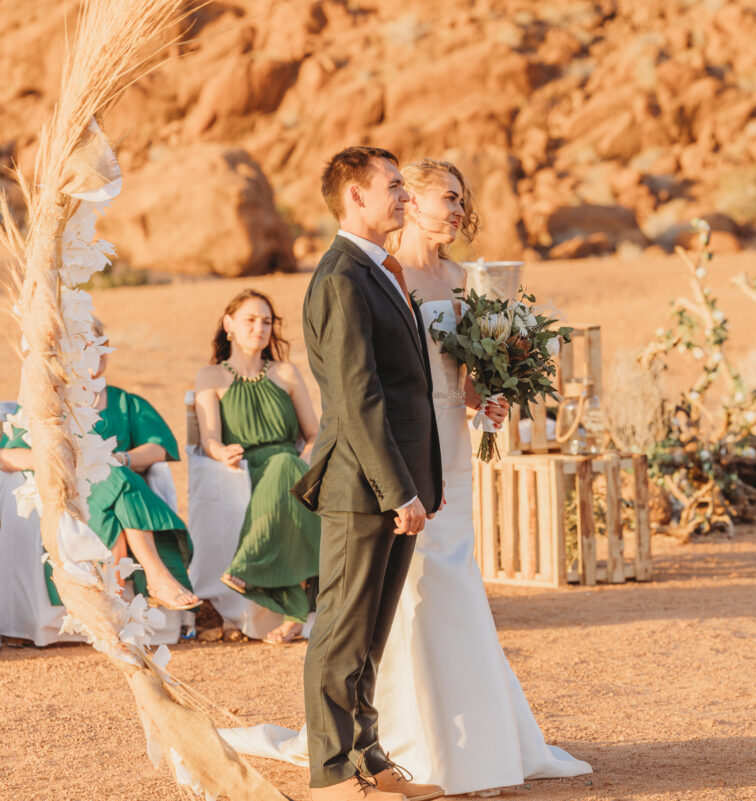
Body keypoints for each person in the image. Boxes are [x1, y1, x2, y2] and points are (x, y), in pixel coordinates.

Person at [374, 158, 593, 795]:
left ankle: (480, 740)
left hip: (454, 445)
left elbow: (465, 382)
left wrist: (489, 398)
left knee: (456, 572)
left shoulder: (460, 279)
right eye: (446, 197)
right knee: (414, 583)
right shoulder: (383, 275)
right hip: (405, 447)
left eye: (461, 199)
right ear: (407, 200)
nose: (457, 209)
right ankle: (415, 736)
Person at [291, 146, 446, 801]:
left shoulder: (375, 269)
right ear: (354, 196)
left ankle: (369, 758)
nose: (405, 196)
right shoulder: (342, 277)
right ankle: (330, 773)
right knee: (340, 631)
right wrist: (398, 489)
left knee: (371, 635)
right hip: (363, 488)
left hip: (390, 483)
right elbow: (357, 396)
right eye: (392, 187)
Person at [0, 319, 198, 611]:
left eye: (101, 345)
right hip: (72, 492)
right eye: (84, 345)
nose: (97, 352)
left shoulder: (124, 402)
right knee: (114, 475)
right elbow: (9, 456)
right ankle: (156, 576)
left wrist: (123, 459)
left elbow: (158, 447)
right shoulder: (49, 404)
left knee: (113, 472)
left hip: (115, 488)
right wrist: (66, 464)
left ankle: (125, 585)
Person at [193, 289, 322, 645]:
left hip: (293, 465)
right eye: (250, 320)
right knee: (285, 474)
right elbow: (209, 438)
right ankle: (297, 609)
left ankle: (246, 570)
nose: (260, 328)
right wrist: (222, 453)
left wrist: (307, 457)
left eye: (266, 321)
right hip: (246, 468)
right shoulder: (211, 376)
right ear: (229, 324)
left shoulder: (286, 372)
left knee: (286, 465)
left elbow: (314, 433)